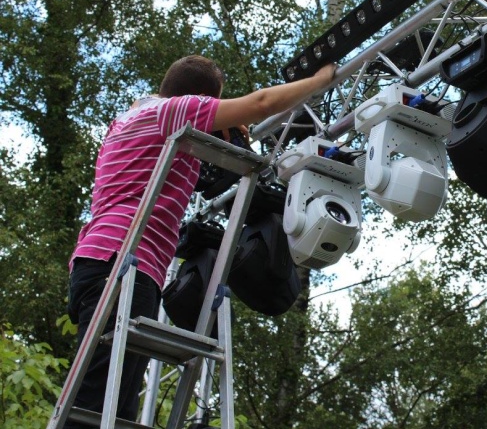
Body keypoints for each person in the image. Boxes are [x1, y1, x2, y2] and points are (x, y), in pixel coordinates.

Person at [64, 55, 335, 427]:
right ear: (201, 99)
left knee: (116, 404)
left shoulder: (132, 118)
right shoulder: (172, 112)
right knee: (96, 405)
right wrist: (320, 80)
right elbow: (262, 104)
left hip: (99, 261)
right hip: (124, 263)